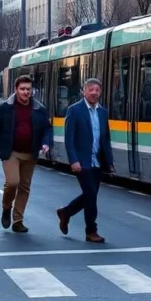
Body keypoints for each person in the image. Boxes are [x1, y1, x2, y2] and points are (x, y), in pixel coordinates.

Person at [0, 75, 53, 233]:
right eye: (22, 89)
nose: (25, 92)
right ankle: (6, 207)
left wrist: (46, 143)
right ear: (16, 89)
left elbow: (47, 128)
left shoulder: (38, 108)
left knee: (24, 187)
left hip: (30, 153)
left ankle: (18, 220)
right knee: (12, 182)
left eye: (28, 89)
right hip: (11, 152)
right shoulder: (6, 107)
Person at [57, 78, 114, 243]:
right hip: (82, 161)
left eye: (97, 90)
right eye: (91, 89)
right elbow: (69, 139)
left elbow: (106, 139)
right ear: (84, 91)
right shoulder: (74, 110)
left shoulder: (103, 112)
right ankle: (91, 231)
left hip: (97, 161)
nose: (94, 93)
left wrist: (109, 160)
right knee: (91, 194)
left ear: (100, 92)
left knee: (91, 195)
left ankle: (66, 212)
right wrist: (73, 160)